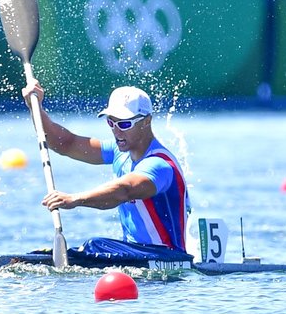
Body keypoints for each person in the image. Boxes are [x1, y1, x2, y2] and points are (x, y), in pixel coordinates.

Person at [22, 82, 190, 252]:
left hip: (167, 256)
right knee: (89, 248)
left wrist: (74, 199)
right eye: (111, 123)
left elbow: (124, 190)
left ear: (147, 121)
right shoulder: (119, 151)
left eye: (124, 124)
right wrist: (35, 108)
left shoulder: (160, 164)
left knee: (95, 245)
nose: (117, 131)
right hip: (134, 252)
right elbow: (66, 143)